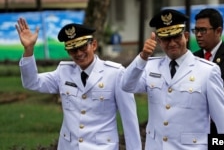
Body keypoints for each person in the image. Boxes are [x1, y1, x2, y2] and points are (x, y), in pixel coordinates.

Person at [16, 18, 142, 150]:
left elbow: (129, 120)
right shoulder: (63, 71)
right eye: (72, 50)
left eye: (82, 47)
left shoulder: (116, 73)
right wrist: (29, 50)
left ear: (93, 45)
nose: (79, 53)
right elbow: (32, 82)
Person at [121, 9, 224, 150]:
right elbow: (126, 85)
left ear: (186, 36)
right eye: (166, 39)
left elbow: (223, 121)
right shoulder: (150, 66)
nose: (172, 43)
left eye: (176, 37)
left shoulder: (208, 71)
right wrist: (142, 57)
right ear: (158, 40)